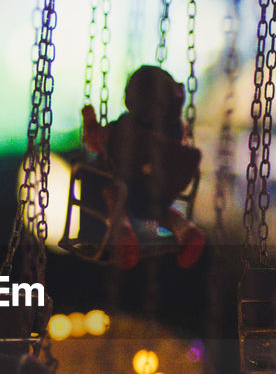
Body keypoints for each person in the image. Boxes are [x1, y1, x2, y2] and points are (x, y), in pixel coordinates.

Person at [80, 66, 205, 269]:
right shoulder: (175, 130)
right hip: (159, 189)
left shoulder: (125, 128)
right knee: (160, 210)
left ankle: (122, 231)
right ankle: (186, 230)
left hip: (130, 184)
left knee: (108, 186)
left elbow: (95, 142)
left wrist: (90, 121)